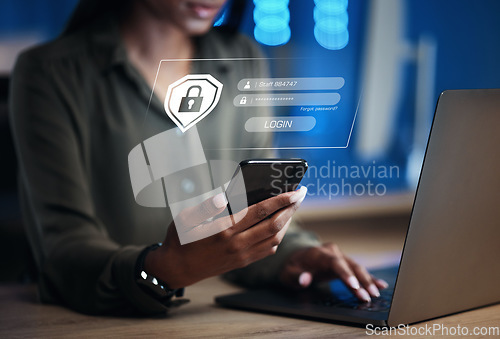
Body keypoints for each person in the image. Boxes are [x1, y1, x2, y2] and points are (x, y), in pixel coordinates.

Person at [9, 0, 387, 315]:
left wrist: (296, 256)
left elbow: (253, 210)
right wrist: (165, 269)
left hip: (216, 319)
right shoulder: (51, 73)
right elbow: (63, 255)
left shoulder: (242, 56)